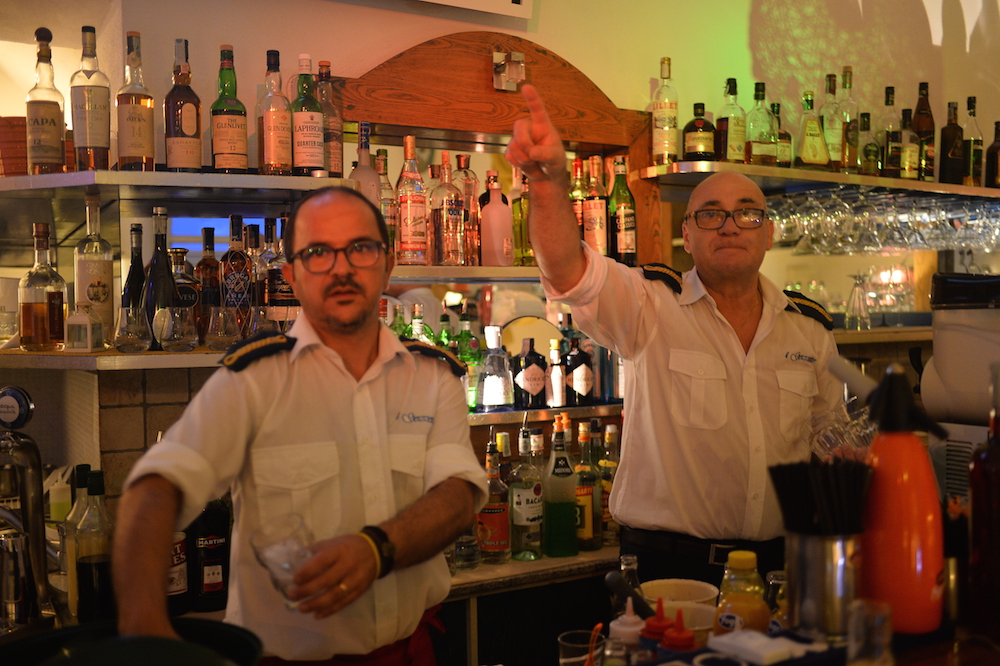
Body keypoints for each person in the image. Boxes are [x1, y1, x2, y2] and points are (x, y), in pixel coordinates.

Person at [112, 186, 488, 664]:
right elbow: (156, 488)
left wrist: (375, 550)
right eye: (317, 253)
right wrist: (143, 625)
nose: (341, 268)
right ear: (290, 275)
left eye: (360, 248)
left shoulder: (434, 376)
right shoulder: (253, 381)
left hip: (412, 654)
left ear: (387, 264)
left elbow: (458, 496)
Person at [505, 85, 844, 585]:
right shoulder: (650, 305)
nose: (729, 226)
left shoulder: (809, 329)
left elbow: (831, 441)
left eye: (748, 212)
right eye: (710, 213)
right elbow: (567, 272)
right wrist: (549, 182)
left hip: (779, 569)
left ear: (768, 233)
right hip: (668, 568)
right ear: (688, 232)